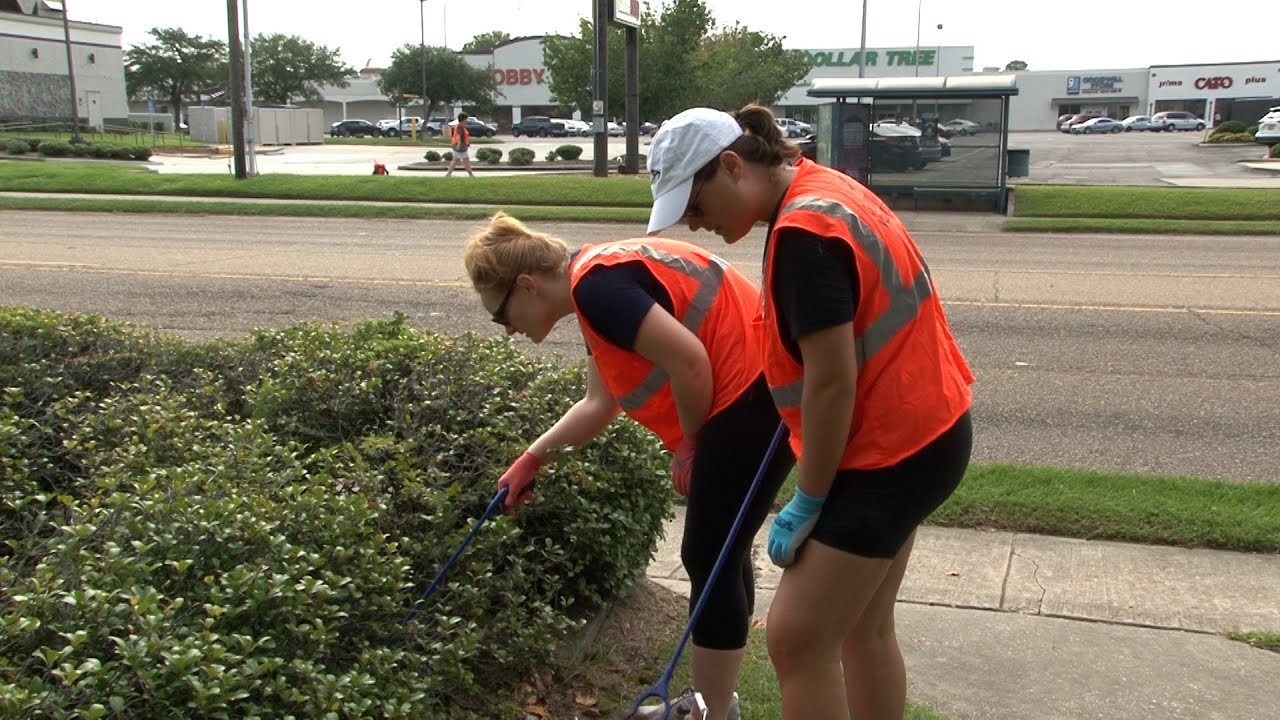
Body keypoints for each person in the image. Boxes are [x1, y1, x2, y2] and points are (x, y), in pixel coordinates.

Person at [645, 106, 974, 720]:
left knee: (797, 637)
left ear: (733, 167)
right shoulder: (822, 190)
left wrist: (811, 498)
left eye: (695, 207)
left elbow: (830, 384)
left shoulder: (803, 234)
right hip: (929, 432)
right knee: (863, 628)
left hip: (890, 453)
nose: (696, 226)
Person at [463, 212, 794, 720]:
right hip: (758, 388)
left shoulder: (599, 290)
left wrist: (690, 443)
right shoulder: (593, 289)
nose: (507, 331)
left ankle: (711, 712)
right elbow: (598, 405)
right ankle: (715, 703)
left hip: (752, 393)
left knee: (709, 550)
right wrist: (531, 459)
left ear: (526, 287)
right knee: (719, 550)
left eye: (499, 316)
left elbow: (690, 362)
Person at [446, 112, 474, 177]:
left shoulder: (459, 126)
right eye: (466, 119)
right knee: (465, 161)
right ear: (463, 119)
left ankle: (448, 174)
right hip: (460, 147)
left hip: (460, 147)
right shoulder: (460, 127)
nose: (467, 121)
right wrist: (458, 144)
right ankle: (471, 175)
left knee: (456, 160)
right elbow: (458, 136)